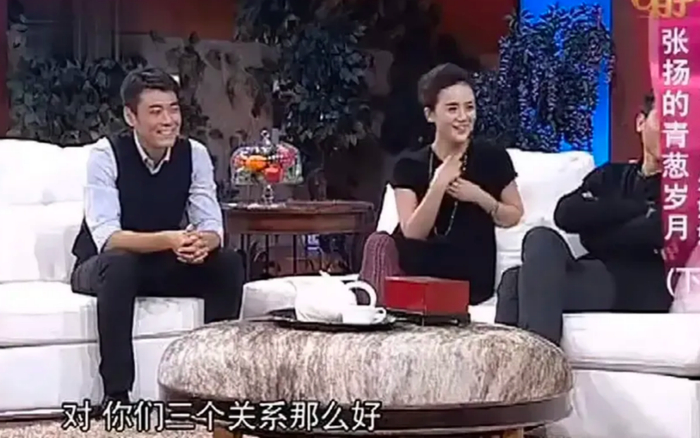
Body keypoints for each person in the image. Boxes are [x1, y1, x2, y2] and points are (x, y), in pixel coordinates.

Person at [70, 67, 244, 407]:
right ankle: (117, 395)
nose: (168, 120)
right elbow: (108, 238)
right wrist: (170, 239)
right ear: (130, 116)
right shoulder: (106, 155)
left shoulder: (194, 154)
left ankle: (213, 385)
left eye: (173, 109)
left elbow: (211, 224)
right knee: (120, 265)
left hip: (159, 262)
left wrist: (202, 243)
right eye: (155, 111)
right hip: (102, 267)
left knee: (227, 263)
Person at [495, 93, 672, 345]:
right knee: (539, 239)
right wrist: (639, 208)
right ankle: (528, 366)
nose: (670, 132)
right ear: (640, 123)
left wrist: (597, 223)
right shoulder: (611, 174)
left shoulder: (680, 190)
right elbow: (566, 213)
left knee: (516, 282)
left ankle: (535, 366)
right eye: (663, 121)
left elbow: (652, 232)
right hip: (596, 269)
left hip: (639, 282)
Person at [361, 63, 524, 304]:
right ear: (430, 115)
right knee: (378, 244)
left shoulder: (492, 157)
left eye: (469, 107)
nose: (463, 117)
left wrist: (480, 197)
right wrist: (438, 184)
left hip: (469, 273)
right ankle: (375, 310)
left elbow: (514, 214)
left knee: (387, 272)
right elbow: (413, 233)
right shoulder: (409, 165)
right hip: (416, 266)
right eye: (452, 109)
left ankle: (381, 305)